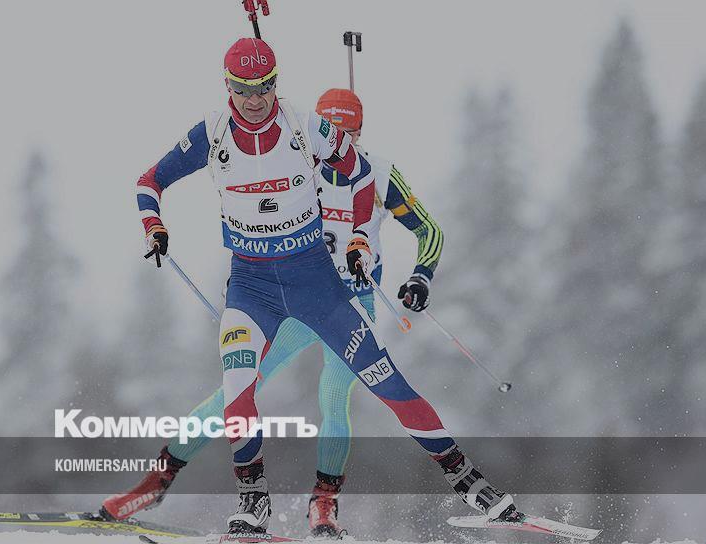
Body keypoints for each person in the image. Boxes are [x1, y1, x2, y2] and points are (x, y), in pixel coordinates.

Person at [115, 37, 520, 535]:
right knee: (234, 391)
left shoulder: (370, 167)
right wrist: (155, 223)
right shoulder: (280, 148)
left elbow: (426, 229)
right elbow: (160, 178)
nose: (339, 142)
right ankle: (176, 485)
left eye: (348, 133)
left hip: (338, 294)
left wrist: (403, 267)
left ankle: (347, 501)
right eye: (244, 89)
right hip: (261, 289)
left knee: (348, 393)